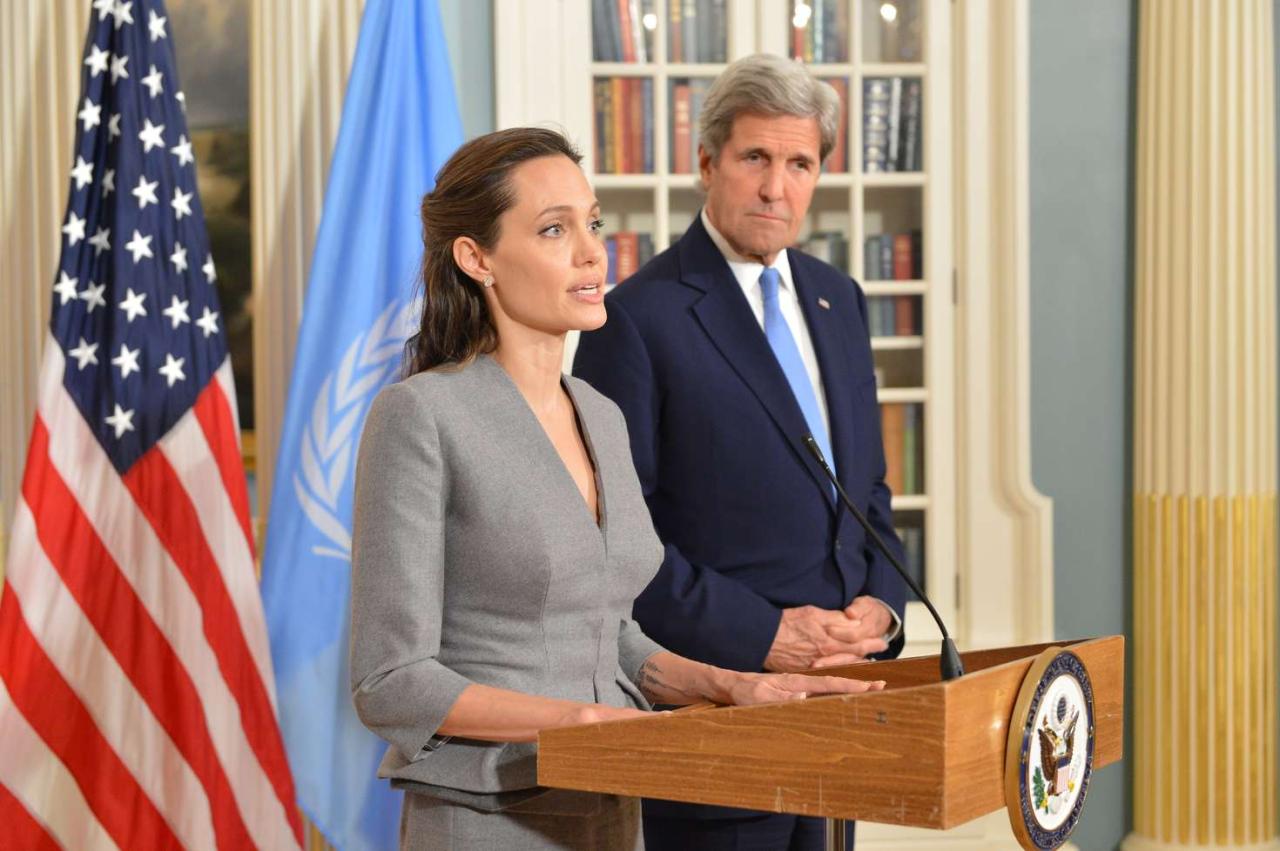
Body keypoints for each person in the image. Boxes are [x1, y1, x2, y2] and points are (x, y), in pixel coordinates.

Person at [348, 127, 885, 851]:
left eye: (592, 222)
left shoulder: (599, 412)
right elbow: (390, 680)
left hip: (611, 807)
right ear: (477, 258)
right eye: (553, 229)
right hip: (488, 819)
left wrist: (731, 686)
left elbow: (614, 637)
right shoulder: (421, 415)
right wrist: (582, 721)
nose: (592, 251)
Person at [572, 54, 910, 850]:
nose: (775, 188)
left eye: (799, 163)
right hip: (717, 717)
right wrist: (763, 634)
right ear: (706, 165)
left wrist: (882, 606)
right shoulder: (636, 319)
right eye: (755, 158)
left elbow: (868, 488)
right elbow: (621, 542)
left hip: (842, 706)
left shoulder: (840, 299)